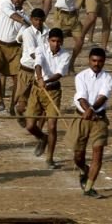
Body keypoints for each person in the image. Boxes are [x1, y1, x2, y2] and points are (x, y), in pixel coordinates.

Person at [71, 47, 112, 198]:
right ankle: (83, 169)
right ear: (89, 60)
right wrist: (87, 110)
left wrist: (92, 109)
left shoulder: (107, 78)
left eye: (100, 61)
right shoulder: (80, 76)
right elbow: (81, 97)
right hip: (82, 118)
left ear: (104, 62)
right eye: (94, 61)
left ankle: (89, 188)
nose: (96, 64)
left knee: (98, 152)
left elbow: (103, 96)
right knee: (78, 156)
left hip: (99, 119)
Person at [25, 27, 71, 169]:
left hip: (53, 92)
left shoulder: (66, 55)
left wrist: (46, 81)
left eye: (58, 41)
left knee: (52, 126)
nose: (55, 44)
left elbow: (59, 74)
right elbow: (38, 64)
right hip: (37, 90)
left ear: (62, 42)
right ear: (48, 40)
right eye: (53, 41)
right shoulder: (41, 49)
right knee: (30, 126)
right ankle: (42, 137)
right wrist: (39, 78)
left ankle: (50, 159)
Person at [0, 0, 30, 113]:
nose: (17, 0)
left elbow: (21, 37)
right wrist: (27, 23)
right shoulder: (5, 6)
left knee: (17, 78)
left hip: (14, 48)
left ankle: (13, 105)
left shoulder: (26, 17)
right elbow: (13, 15)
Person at [54, 0, 85, 71]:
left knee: (80, 41)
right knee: (55, 42)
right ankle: (56, 64)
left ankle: (71, 63)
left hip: (73, 16)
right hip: (61, 16)